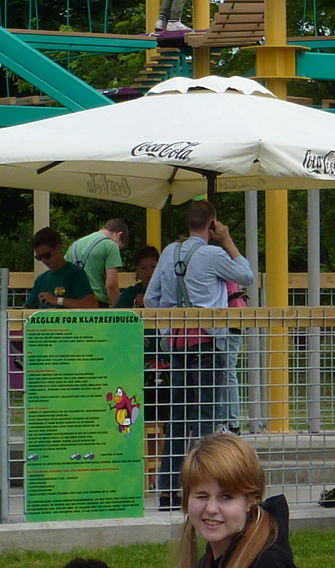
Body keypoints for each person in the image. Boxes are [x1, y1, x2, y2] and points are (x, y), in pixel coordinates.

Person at [144, 202, 255, 507]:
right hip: (208, 343)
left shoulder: (169, 252)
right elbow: (247, 276)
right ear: (212, 223)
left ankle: (168, 489)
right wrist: (227, 240)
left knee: (177, 418)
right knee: (206, 419)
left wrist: (169, 323)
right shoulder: (213, 254)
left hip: (177, 345)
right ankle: (203, 488)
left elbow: (152, 298)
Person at [173, 433, 292, 568]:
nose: (211, 509)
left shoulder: (268, 563)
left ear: (251, 500)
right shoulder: (211, 558)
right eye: (202, 496)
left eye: (226, 497)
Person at [27, 228, 99, 310]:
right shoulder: (41, 280)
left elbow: (91, 304)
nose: (43, 260)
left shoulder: (75, 273)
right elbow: (28, 309)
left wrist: (58, 300)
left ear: (58, 248)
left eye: (46, 256)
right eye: (39, 257)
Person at [66, 219, 130, 307]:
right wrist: (118, 309)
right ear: (119, 235)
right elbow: (111, 285)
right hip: (96, 305)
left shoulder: (74, 245)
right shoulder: (111, 246)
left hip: (72, 304)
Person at [116, 246, 159, 310]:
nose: (149, 272)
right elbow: (117, 312)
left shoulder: (166, 291)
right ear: (137, 270)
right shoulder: (131, 294)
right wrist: (135, 303)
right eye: (144, 268)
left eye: (153, 267)